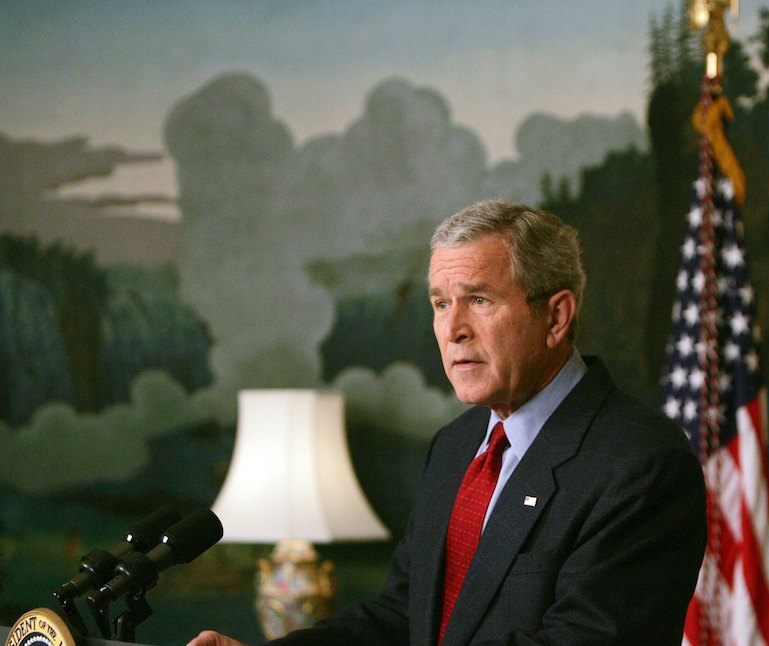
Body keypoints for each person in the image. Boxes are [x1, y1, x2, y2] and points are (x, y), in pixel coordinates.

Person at [189, 200, 706, 646]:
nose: (453, 329)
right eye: (441, 303)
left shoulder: (638, 463)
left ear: (556, 317)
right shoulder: (456, 447)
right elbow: (403, 616)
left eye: (479, 300)